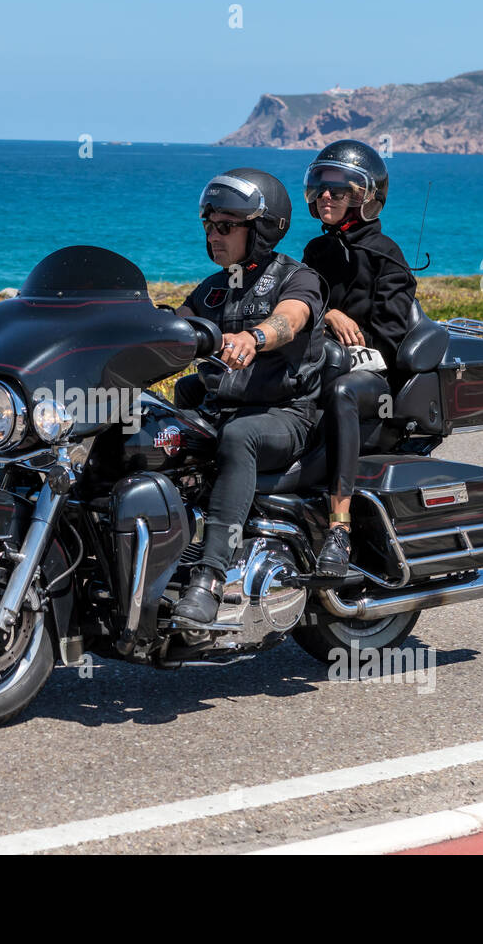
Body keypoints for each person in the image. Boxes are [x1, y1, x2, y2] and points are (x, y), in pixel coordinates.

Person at [170, 168, 327, 625]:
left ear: (260, 229)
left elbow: (291, 319)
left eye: (225, 226)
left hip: (284, 414)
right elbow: (178, 324)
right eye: (208, 224)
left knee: (239, 436)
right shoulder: (214, 287)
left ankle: (210, 579)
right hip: (223, 405)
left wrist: (255, 338)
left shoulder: (296, 278)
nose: (213, 235)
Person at [300, 140, 418, 578]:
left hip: (374, 379)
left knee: (343, 391)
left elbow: (390, 342)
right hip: (321, 361)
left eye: (339, 189)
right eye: (321, 187)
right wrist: (328, 313)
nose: (326, 196)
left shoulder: (387, 257)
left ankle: (340, 525)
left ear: (366, 197)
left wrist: (351, 345)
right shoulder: (316, 252)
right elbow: (301, 304)